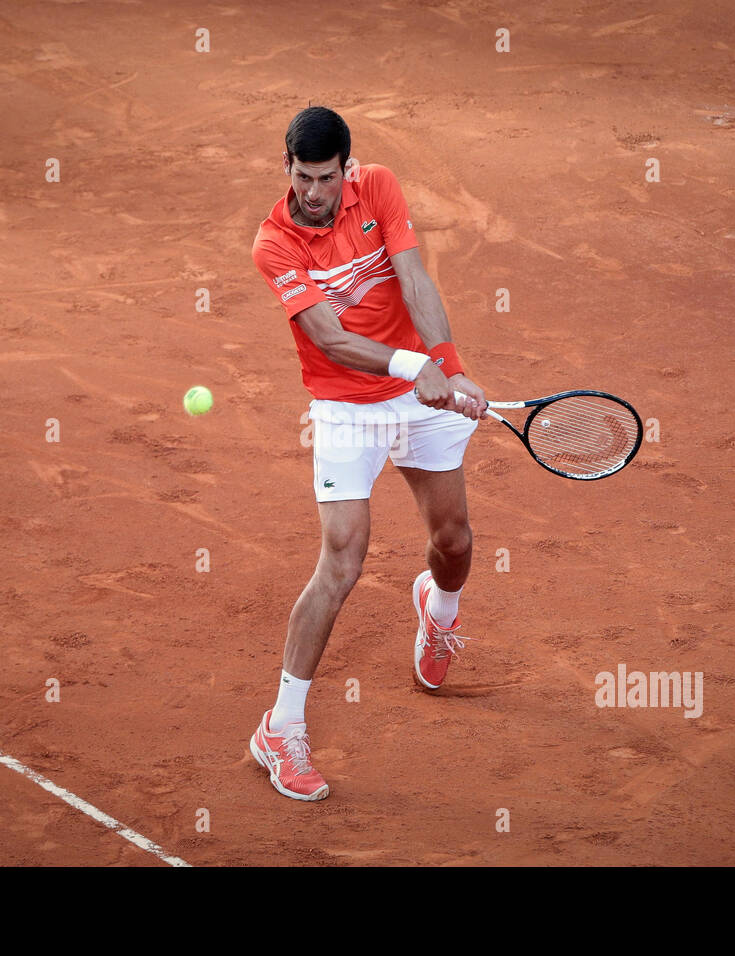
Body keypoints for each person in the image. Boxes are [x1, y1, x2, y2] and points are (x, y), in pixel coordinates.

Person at [248, 106, 487, 801]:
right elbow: (329, 338)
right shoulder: (274, 243)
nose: (314, 193)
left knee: (454, 539)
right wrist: (419, 369)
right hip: (346, 405)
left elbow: (414, 279)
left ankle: (439, 613)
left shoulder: (378, 188)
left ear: (347, 171)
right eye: (302, 177)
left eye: (326, 178)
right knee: (343, 556)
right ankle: (281, 728)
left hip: (418, 381)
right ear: (286, 169)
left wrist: (448, 363)